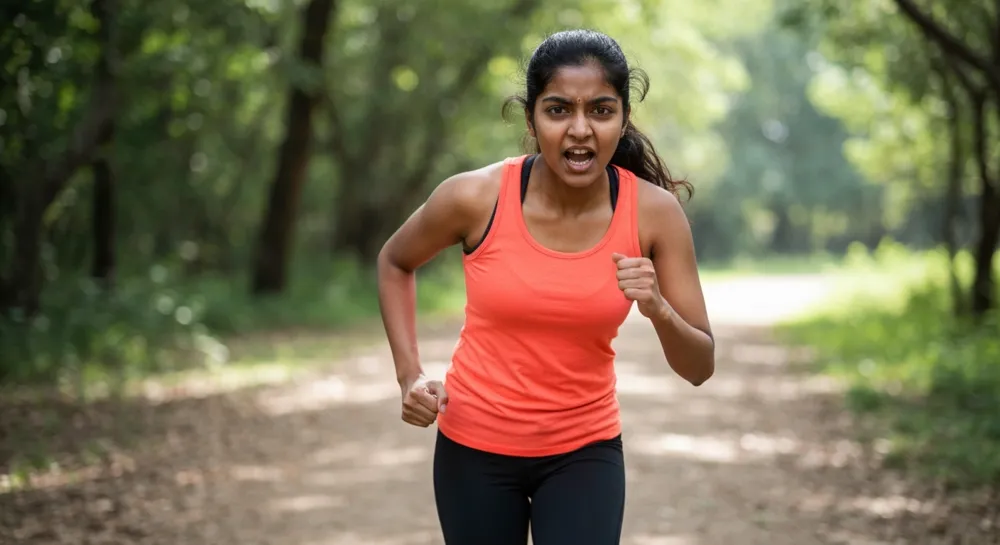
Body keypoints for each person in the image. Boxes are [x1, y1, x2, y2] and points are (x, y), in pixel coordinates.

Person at [376, 28, 715, 545]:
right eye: (559, 110)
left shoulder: (653, 214)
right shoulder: (475, 198)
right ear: (532, 117)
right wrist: (409, 375)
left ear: (623, 117)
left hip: (585, 453)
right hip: (473, 451)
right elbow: (395, 261)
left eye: (601, 111)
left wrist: (659, 309)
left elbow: (699, 367)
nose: (580, 130)